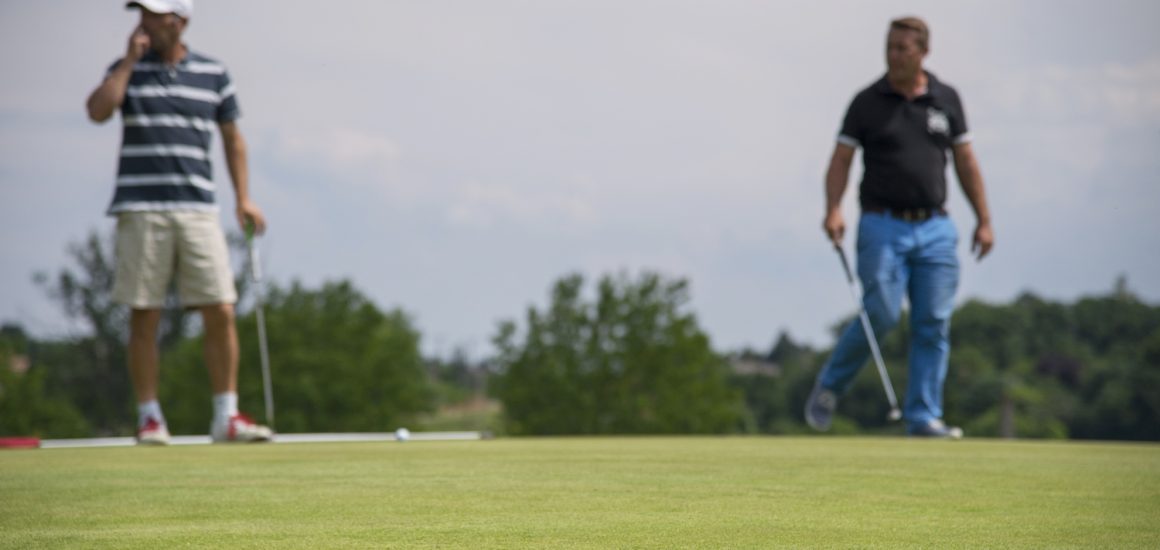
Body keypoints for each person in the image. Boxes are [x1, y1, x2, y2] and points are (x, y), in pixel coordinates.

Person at [86, 0, 273, 444]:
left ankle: (226, 416)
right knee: (144, 312)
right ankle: (150, 417)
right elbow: (98, 110)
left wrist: (243, 198)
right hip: (141, 207)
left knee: (220, 307)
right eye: (141, 14)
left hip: (198, 206)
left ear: (180, 20)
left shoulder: (213, 73)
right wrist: (128, 62)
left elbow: (233, 139)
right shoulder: (125, 69)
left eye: (153, 14)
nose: (144, 22)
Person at [805, 16, 994, 438]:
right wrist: (833, 209)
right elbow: (841, 160)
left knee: (933, 322)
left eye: (902, 49)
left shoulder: (946, 99)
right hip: (881, 224)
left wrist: (984, 219)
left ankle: (923, 417)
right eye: (889, 47)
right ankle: (830, 385)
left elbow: (966, 162)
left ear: (923, 52)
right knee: (882, 313)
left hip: (936, 227)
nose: (893, 56)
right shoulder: (867, 102)